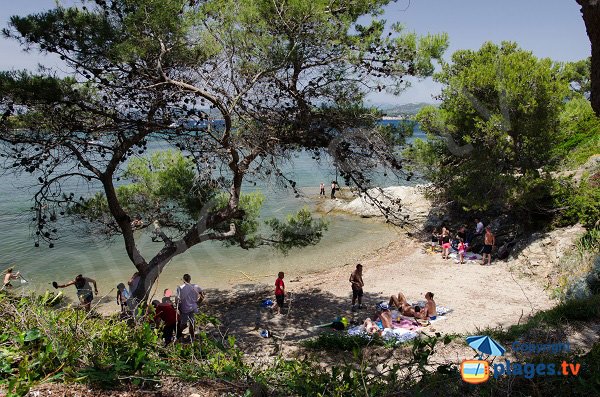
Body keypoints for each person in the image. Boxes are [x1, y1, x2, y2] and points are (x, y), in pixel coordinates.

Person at [176, 273, 203, 340]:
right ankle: (192, 337)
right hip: (193, 308)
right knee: (192, 323)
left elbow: (177, 300)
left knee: (183, 324)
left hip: (184, 309)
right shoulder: (196, 286)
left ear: (183, 280)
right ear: (190, 279)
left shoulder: (180, 288)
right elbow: (202, 297)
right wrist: (197, 303)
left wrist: (178, 308)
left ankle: (179, 336)